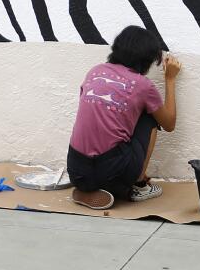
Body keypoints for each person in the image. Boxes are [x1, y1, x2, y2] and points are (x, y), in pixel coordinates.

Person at [66, 27, 181, 210]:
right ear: (146, 58)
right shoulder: (143, 85)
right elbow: (169, 124)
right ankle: (138, 185)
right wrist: (170, 79)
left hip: (76, 170)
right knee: (150, 119)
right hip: (111, 172)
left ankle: (87, 188)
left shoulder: (94, 72)